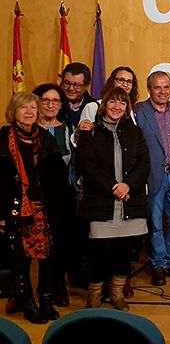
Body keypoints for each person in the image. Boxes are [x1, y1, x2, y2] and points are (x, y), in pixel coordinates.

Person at [76, 87, 150, 312]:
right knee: (100, 253)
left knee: (125, 252)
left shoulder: (134, 131)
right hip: (102, 202)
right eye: (113, 102)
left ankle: (117, 292)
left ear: (127, 107)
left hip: (130, 201)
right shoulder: (90, 131)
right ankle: (95, 294)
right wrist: (113, 188)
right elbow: (86, 165)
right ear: (104, 104)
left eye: (122, 103)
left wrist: (128, 185)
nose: (117, 107)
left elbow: (144, 163)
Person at [0, 92, 70, 323]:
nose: (29, 112)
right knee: (21, 258)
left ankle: (46, 299)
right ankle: (27, 301)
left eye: (32, 107)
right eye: (24, 108)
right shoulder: (3, 139)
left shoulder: (45, 138)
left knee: (46, 255)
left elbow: (59, 176)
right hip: (17, 207)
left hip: (44, 207)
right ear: (14, 112)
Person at [134, 71, 170, 286]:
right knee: (155, 223)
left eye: (166, 87)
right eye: (157, 87)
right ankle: (157, 264)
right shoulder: (139, 111)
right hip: (153, 174)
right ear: (149, 89)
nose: (162, 91)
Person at [32, 84, 75, 307]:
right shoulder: (28, 129)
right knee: (30, 245)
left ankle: (57, 286)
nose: (50, 105)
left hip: (61, 197)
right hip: (34, 196)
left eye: (56, 101)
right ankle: (22, 292)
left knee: (59, 243)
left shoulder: (68, 129)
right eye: (45, 100)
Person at [59, 62, 94, 130]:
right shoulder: (53, 104)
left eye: (77, 85)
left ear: (87, 85)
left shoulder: (94, 107)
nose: (71, 88)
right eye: (67, 83)